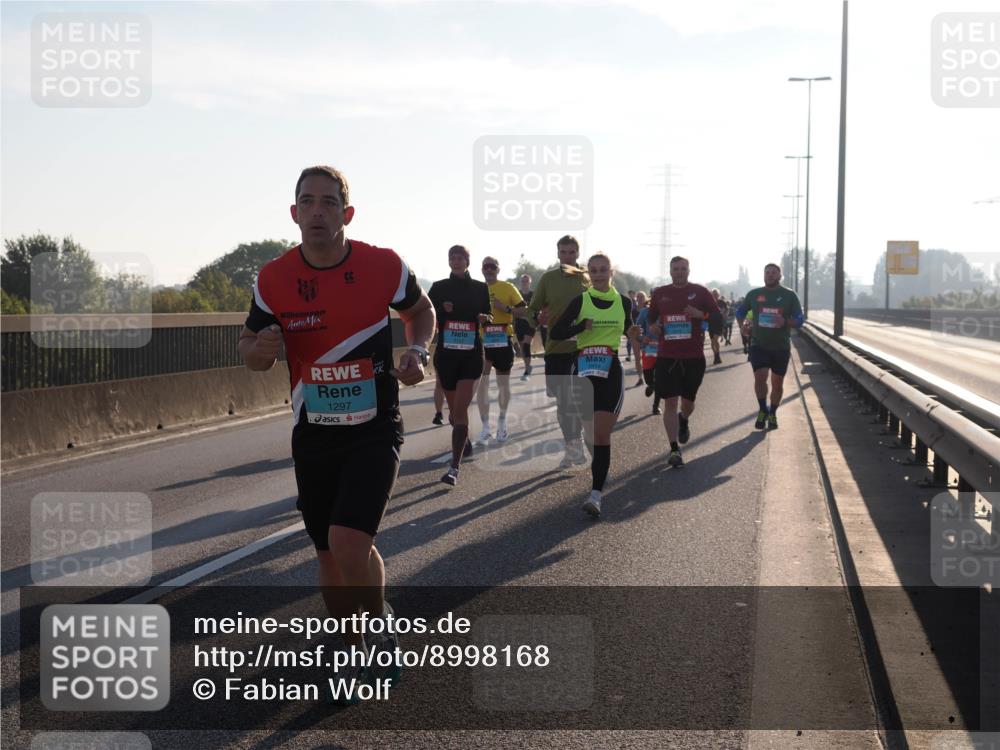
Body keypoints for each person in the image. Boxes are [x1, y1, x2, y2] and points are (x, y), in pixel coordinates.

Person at [239, 165, 434, 703]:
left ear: (347, 214)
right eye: (309, 201)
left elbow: (420, 311)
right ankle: (352, 644)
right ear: (294, 212)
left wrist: (418, 350)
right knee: (327, 556)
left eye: (330, 202)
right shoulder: (273, 278)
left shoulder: (383, 265)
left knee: (351, 542)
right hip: (314, 434)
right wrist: (259, 351)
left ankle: (378, 636)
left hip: (374, 428)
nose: (318, 211)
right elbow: (249, 346)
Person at [550, 253, 640, 517]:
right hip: (584, 369)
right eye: (594, 270)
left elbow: (628, 329)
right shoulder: (581, 301)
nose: (599, 273)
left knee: (601, 435)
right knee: (591, 435)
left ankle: (596, 495)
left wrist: (633, 333)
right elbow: (555, 333)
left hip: (610, 369)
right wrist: (579, 327)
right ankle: (599, 469)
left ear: (611, 271)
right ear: (588, 273)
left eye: (603, 269)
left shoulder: (623, 302)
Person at [525, 235, 592, 468]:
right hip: (555, 347)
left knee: (577, 398)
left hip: (583, 348)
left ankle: (576, 443)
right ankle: (572, 442)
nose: (567, 256)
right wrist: (537, 317)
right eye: (563, 252)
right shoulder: (548, 278)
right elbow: (531, 310)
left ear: (578, 253)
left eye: (571, 252)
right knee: (563, 402)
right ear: (557, 253)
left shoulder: (588, 278)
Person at [647, 256, 721, 467]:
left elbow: (718, 318)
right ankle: (674, 449)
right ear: (670, 271)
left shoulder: (700, 292)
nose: (679, 272)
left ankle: (684, 419)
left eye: (683, 269)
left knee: (687, 403)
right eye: (675, 269)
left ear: (689, 270)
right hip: (667, 357)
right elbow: (651, 317)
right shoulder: (660, 293)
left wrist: (702, 314)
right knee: (669, 402)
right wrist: (652, 327)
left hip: (693, 358)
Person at [428, 245, 492, 485]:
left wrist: (484, 319)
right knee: (455, 415)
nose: (456, 261)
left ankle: (453, 468)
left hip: (471, 355)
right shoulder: (438, 288)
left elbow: (488, 314)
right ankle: (464, 440)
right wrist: (442, 313)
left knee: (460, 409)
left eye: (460, 257)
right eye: (452, 257)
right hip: (446, 356)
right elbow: (429, 318)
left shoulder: (480, 288)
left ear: (467, 261)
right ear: (448, 261)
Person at [737, 263, 804, 430]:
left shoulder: (789, 295)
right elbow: (740, 312)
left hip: (780, 347)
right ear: (763, 275)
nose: (770, 275)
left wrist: (785, 321)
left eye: (774, 273)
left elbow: (800, 320)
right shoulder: (754, 294)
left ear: (779, 276)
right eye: (767, 272)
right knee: (760, 378)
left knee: (777, 383)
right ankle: (762, 409)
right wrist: (743, 326)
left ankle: (773, 412)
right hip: (759, 345)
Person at [476, 257, 525, 443]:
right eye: (486, 267)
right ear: (481, 270)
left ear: (498, 269)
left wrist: (505, 308)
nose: (489, 270)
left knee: (503, 384)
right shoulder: (477, 289)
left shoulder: (507, 287)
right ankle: (486, 427)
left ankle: (502, 423)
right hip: (483, 340)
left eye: (492, 267)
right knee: (483, 383)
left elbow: (523, 311)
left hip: (503, 338)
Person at [634, 291, 661, 414]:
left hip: (664, 351)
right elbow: (636, 330)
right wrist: (642, 338)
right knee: (650, 378)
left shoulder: (668, 312)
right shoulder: (645, 312)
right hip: (649, 349)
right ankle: (651, 385)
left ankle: (656, 406)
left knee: (661, 378)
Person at [514, 274, 537, 381]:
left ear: (530, 282)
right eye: (523, 281)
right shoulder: (516, 294)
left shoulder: (534, 294)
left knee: (527, 345)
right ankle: (527, 365)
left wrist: (529, 315)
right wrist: (521, 314)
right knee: (523, 347)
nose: (524, 283)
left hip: (530, 323)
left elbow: (536, 308)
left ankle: (527, 370)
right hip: (519, 323)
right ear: (520, 282)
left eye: (526, 281)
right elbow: (513, 310)